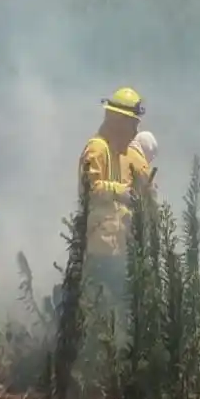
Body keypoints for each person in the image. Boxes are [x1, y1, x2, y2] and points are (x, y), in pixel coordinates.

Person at [77, 87, 153, 307]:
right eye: (133, 123)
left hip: (116, 246)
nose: (135, 130)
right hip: (99, 246)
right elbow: (89, 189)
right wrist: (122, 193)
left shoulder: (119, 152)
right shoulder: (97, 148)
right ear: (118, 121)